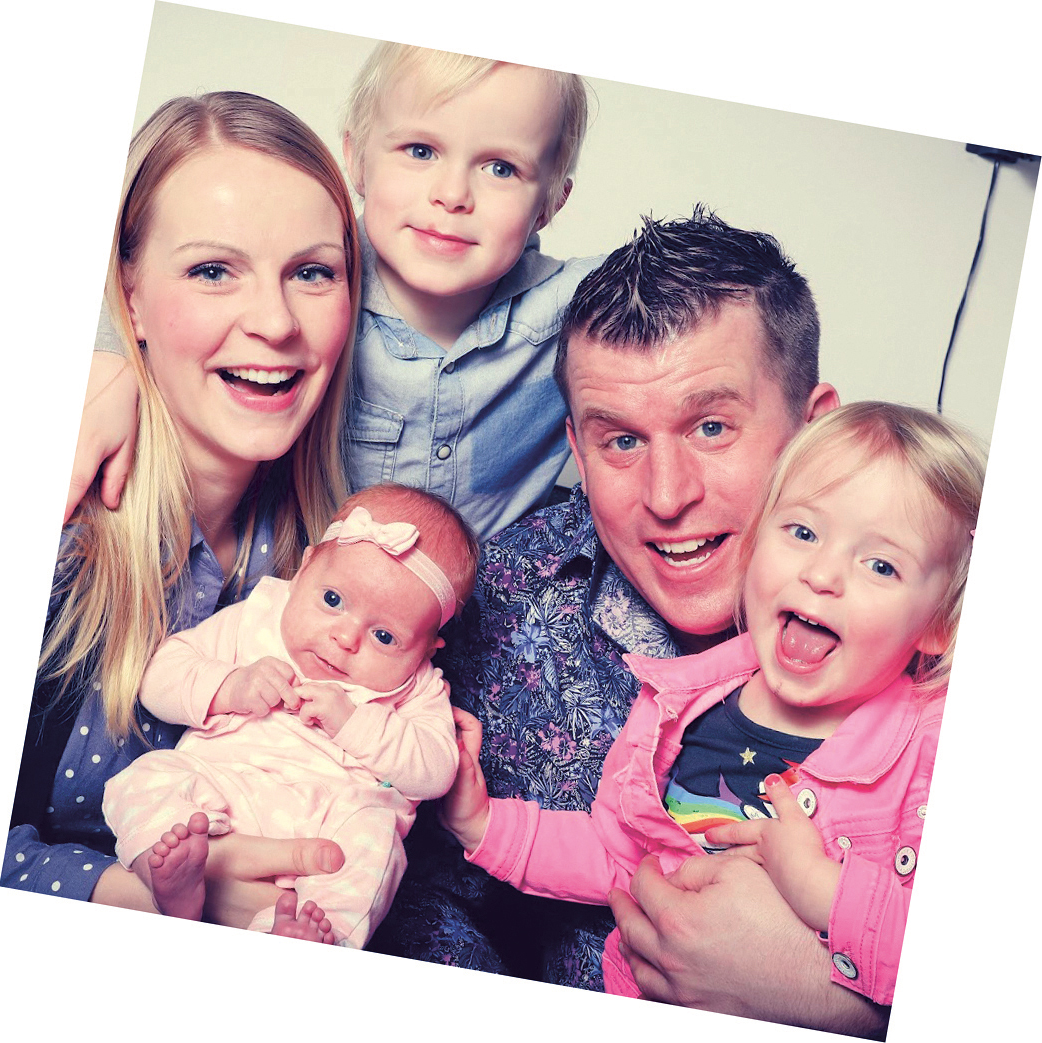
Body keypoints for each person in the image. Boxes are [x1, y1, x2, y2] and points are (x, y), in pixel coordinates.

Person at [372, 209, 893, 1037]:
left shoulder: (932, 617)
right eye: (619, 441)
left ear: (815, 426)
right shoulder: (507, 594)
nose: (666, 494)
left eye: (711, 426)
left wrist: (836, 1000)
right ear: (576, 450)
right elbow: (426, 893)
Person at [441, 401, 984, 1012]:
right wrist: (482, 823)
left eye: (881, 565)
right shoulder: (678, 705)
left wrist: (821, 889)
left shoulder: (938, 748)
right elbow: (615, 854)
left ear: (939, 624)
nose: (823, 575)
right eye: (803, 533)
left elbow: (970, 963)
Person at [4, 91, 363, 935]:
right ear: (128, 295)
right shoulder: (57, 520)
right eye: (212, 271)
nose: (274, 321)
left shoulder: (322, 559)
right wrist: (139, 899)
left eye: (312, 272)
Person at [78, 42, 601, 541]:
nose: (452, 195)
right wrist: (108, 363)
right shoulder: (310, 270)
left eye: (501, 168)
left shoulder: (579, 308)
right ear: (356, 159)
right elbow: (156, 268)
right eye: (421, 150)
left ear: (553, 201)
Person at [103, 483, 478, 946]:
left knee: (374, 842)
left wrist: (355, 723)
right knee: (148, 776)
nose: (345, 639)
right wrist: (231, 686)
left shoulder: (418, 687)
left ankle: (313, 935)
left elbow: (436, 771)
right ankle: (169, 876)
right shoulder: (259, 616)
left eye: (384, 637)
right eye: (333, 600)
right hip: (220, 794)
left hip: (330, 822)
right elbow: (159, 676)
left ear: (426, 649)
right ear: (303, 570)